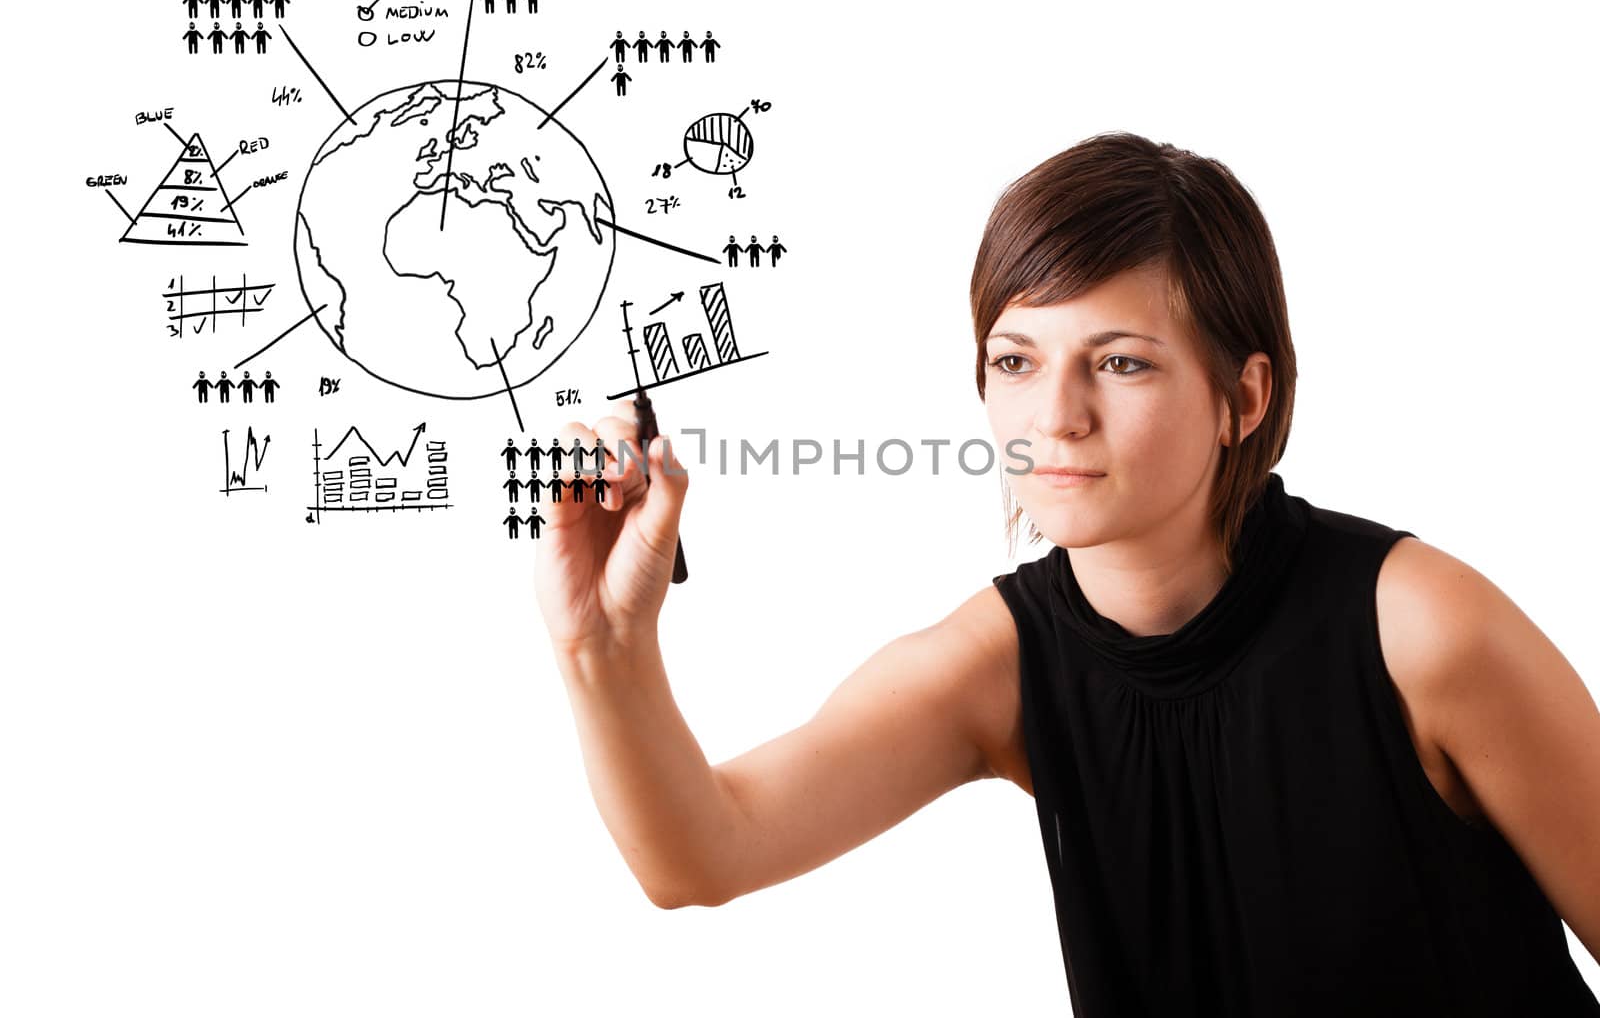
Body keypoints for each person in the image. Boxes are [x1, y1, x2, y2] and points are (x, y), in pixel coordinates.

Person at [534, 132, 1600, 1015]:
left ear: (1246, 395)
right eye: (1015, 360)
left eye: (1120, 361)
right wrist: (604, 646)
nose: (1055, 417)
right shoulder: (997, 664)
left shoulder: (1420, 630)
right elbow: (701, 856)